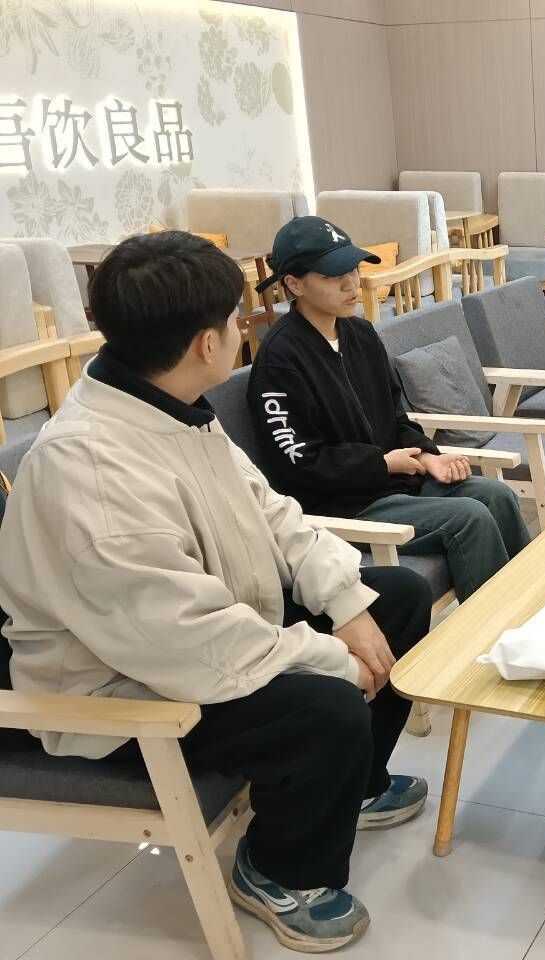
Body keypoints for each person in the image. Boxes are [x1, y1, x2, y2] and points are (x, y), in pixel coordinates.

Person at [0, 232, 433, 953]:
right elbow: (185, 640)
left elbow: (275, 514)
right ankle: (278, 869)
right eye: (236, 319)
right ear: (208, 343)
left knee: (395, 599)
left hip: (205, 624)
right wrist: (334, 661)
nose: (243, 330)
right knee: (326, 706)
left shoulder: (170, 404)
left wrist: (348, 608)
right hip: (125, 687)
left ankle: (352, 783)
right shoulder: (87, 470)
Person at [247, 216, 530, 602]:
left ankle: (532, 608)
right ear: (294, 284)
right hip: (344, 506)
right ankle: (493, 626)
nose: (351, 283)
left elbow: (395, 416)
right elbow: (297, 463)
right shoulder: (280, 360)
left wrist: (428, 457)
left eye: (352, 269)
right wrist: (382, 464)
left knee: (498, 496)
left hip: (396, 484)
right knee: (470, 519)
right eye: (333, 275)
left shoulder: (360, 334)